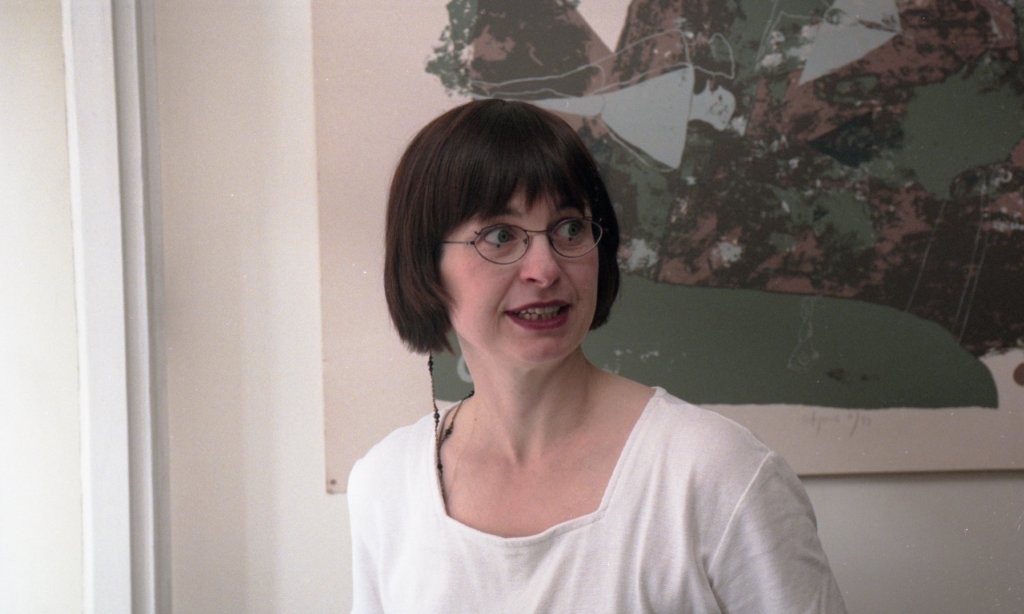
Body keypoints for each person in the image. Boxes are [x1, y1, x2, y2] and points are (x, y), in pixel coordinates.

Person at [347, 99, 846, 613]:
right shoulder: (385, 483)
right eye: (500, 236)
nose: (545, 269)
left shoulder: (716, 471)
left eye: (569, 228)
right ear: (425, 265)